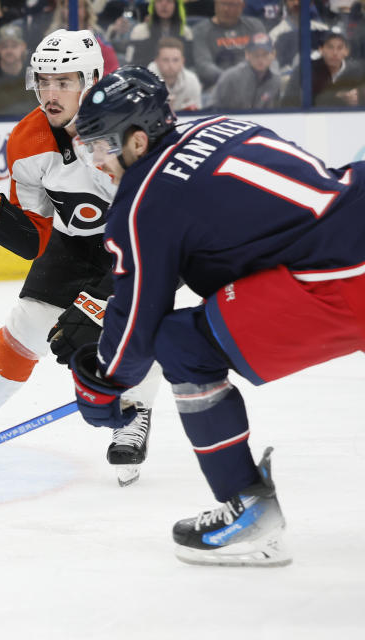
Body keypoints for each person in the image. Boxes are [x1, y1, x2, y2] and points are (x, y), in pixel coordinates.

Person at [70, 65, 365, 566]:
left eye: (102, 146)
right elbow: (245, 226)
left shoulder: (142, 202)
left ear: (137, 141)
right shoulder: (221, 125)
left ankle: (248, 510)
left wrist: (104, 385)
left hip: (343, 277)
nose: (98, 161)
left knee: (182, 345)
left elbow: (139, 327)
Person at [0, 30, 158, 487]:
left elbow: (152, 231)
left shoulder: (126, 130)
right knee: (29, 321)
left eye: (65, 81)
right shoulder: (28, 139)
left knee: (122, 328)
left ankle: (133, 413)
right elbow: (34, 239)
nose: (50, 93)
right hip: (73, 245)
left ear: (93, 79)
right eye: (44, 81)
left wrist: (97, 305)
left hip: (142, 247)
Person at [190, 0, 266, 90]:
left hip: (255, 82)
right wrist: (232, 79)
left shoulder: (254, 26)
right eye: (223, 3)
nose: (226, 9)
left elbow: (265, 55)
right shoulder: (200, 30)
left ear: (242, 6)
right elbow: (204, 65)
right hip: (218, 86)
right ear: (215, 3)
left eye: (232, 4)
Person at [282, 31, 365, 107]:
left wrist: (358, 98)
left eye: (339, 48)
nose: (335, 53)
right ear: (321, 50)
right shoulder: (305, 69)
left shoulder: (358, 72)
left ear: (347, 51)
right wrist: (336, 97)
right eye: (330, 47)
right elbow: (288, 101)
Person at [209, 31, 279, 109]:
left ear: (273, 54)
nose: (260, 59)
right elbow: (212, 107)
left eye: (265, 54)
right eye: (256, 55)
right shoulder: (230, 77)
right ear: (247, 55)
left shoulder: (275, 80)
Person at [125, 0, 195, 67]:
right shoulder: (140, 30)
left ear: (176, 5)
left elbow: (189, 63)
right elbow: (130, 61)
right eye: (159, 1)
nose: (164, 5)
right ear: (153, 5)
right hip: (146, 76)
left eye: (169, 1)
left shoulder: (185, 32)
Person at [148, 36, 202, 110]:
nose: (171, 65)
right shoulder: (146, 81)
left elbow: (197, 114)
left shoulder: (192, 81)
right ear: (156, 61)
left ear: (182, 61)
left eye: (175, 60)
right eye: (165, 60)